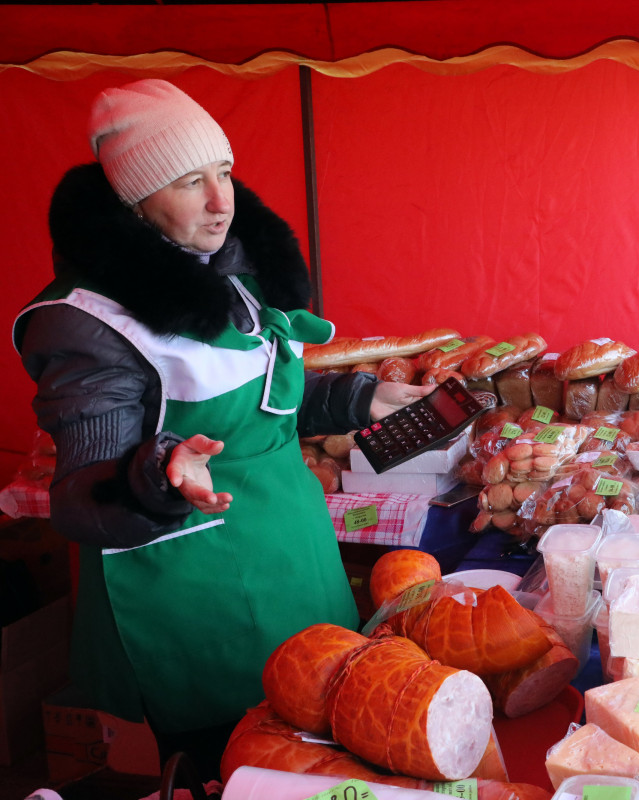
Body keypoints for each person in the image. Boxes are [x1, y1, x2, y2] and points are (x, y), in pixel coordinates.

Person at [12, 79, 435, 782]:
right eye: (188, 182)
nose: (221, 201)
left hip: (293, 560)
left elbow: (259, 403)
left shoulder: (226, 274)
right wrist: (161, 472)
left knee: (322, 750)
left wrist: (361, 399)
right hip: (199, 591)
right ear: (135, 203)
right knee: (235, 772)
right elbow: (82, 495)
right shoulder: (89, 324)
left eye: (225, 172)